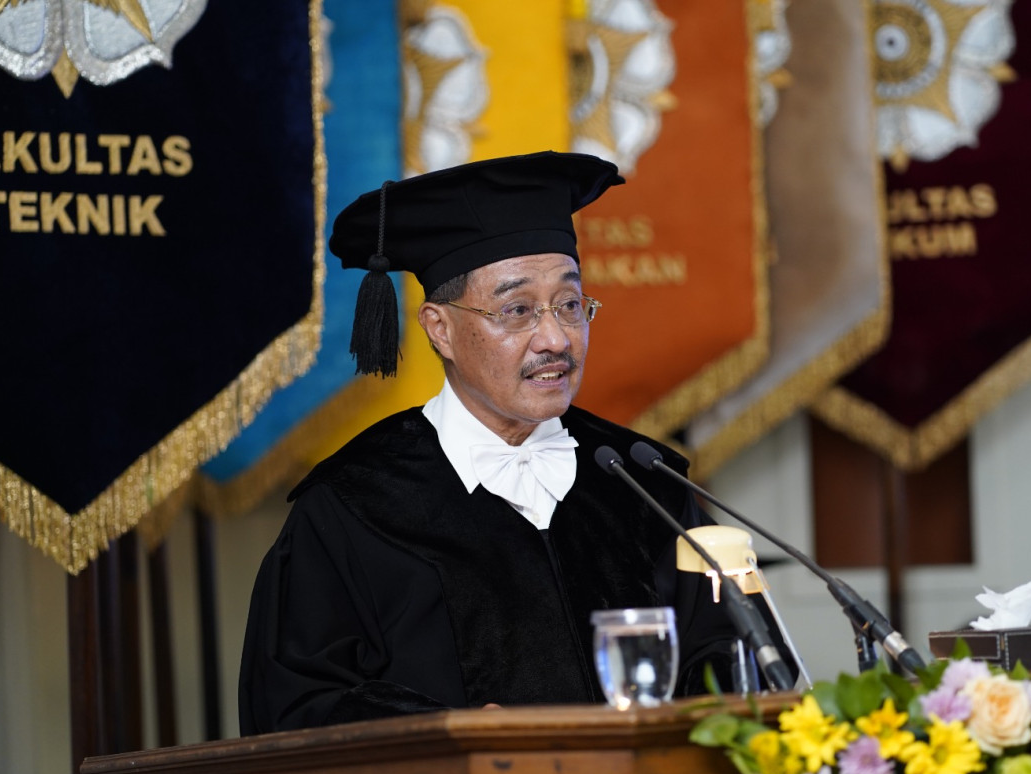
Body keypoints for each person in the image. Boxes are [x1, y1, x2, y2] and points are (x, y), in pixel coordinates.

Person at [238, 151, 797, 734]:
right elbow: (295, 709)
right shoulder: (352, 507)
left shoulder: (643, 484)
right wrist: (451, 734)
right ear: (440, 329)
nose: (555, 338)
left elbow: (736, 661)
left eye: (571, 305)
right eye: (517, 310)